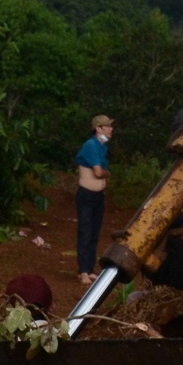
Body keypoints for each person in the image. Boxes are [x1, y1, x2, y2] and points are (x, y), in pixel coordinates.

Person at [73, 113, 112, 284]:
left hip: (97, 196)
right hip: (87, 196)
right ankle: (83, 270)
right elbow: (98, 172)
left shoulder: (101, 147)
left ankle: (89, 268)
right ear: (98, 129)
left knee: (94, 233)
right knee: (85, 232)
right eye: (107, 126)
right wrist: (107, 173)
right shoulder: (91, 145)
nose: (111, 129)